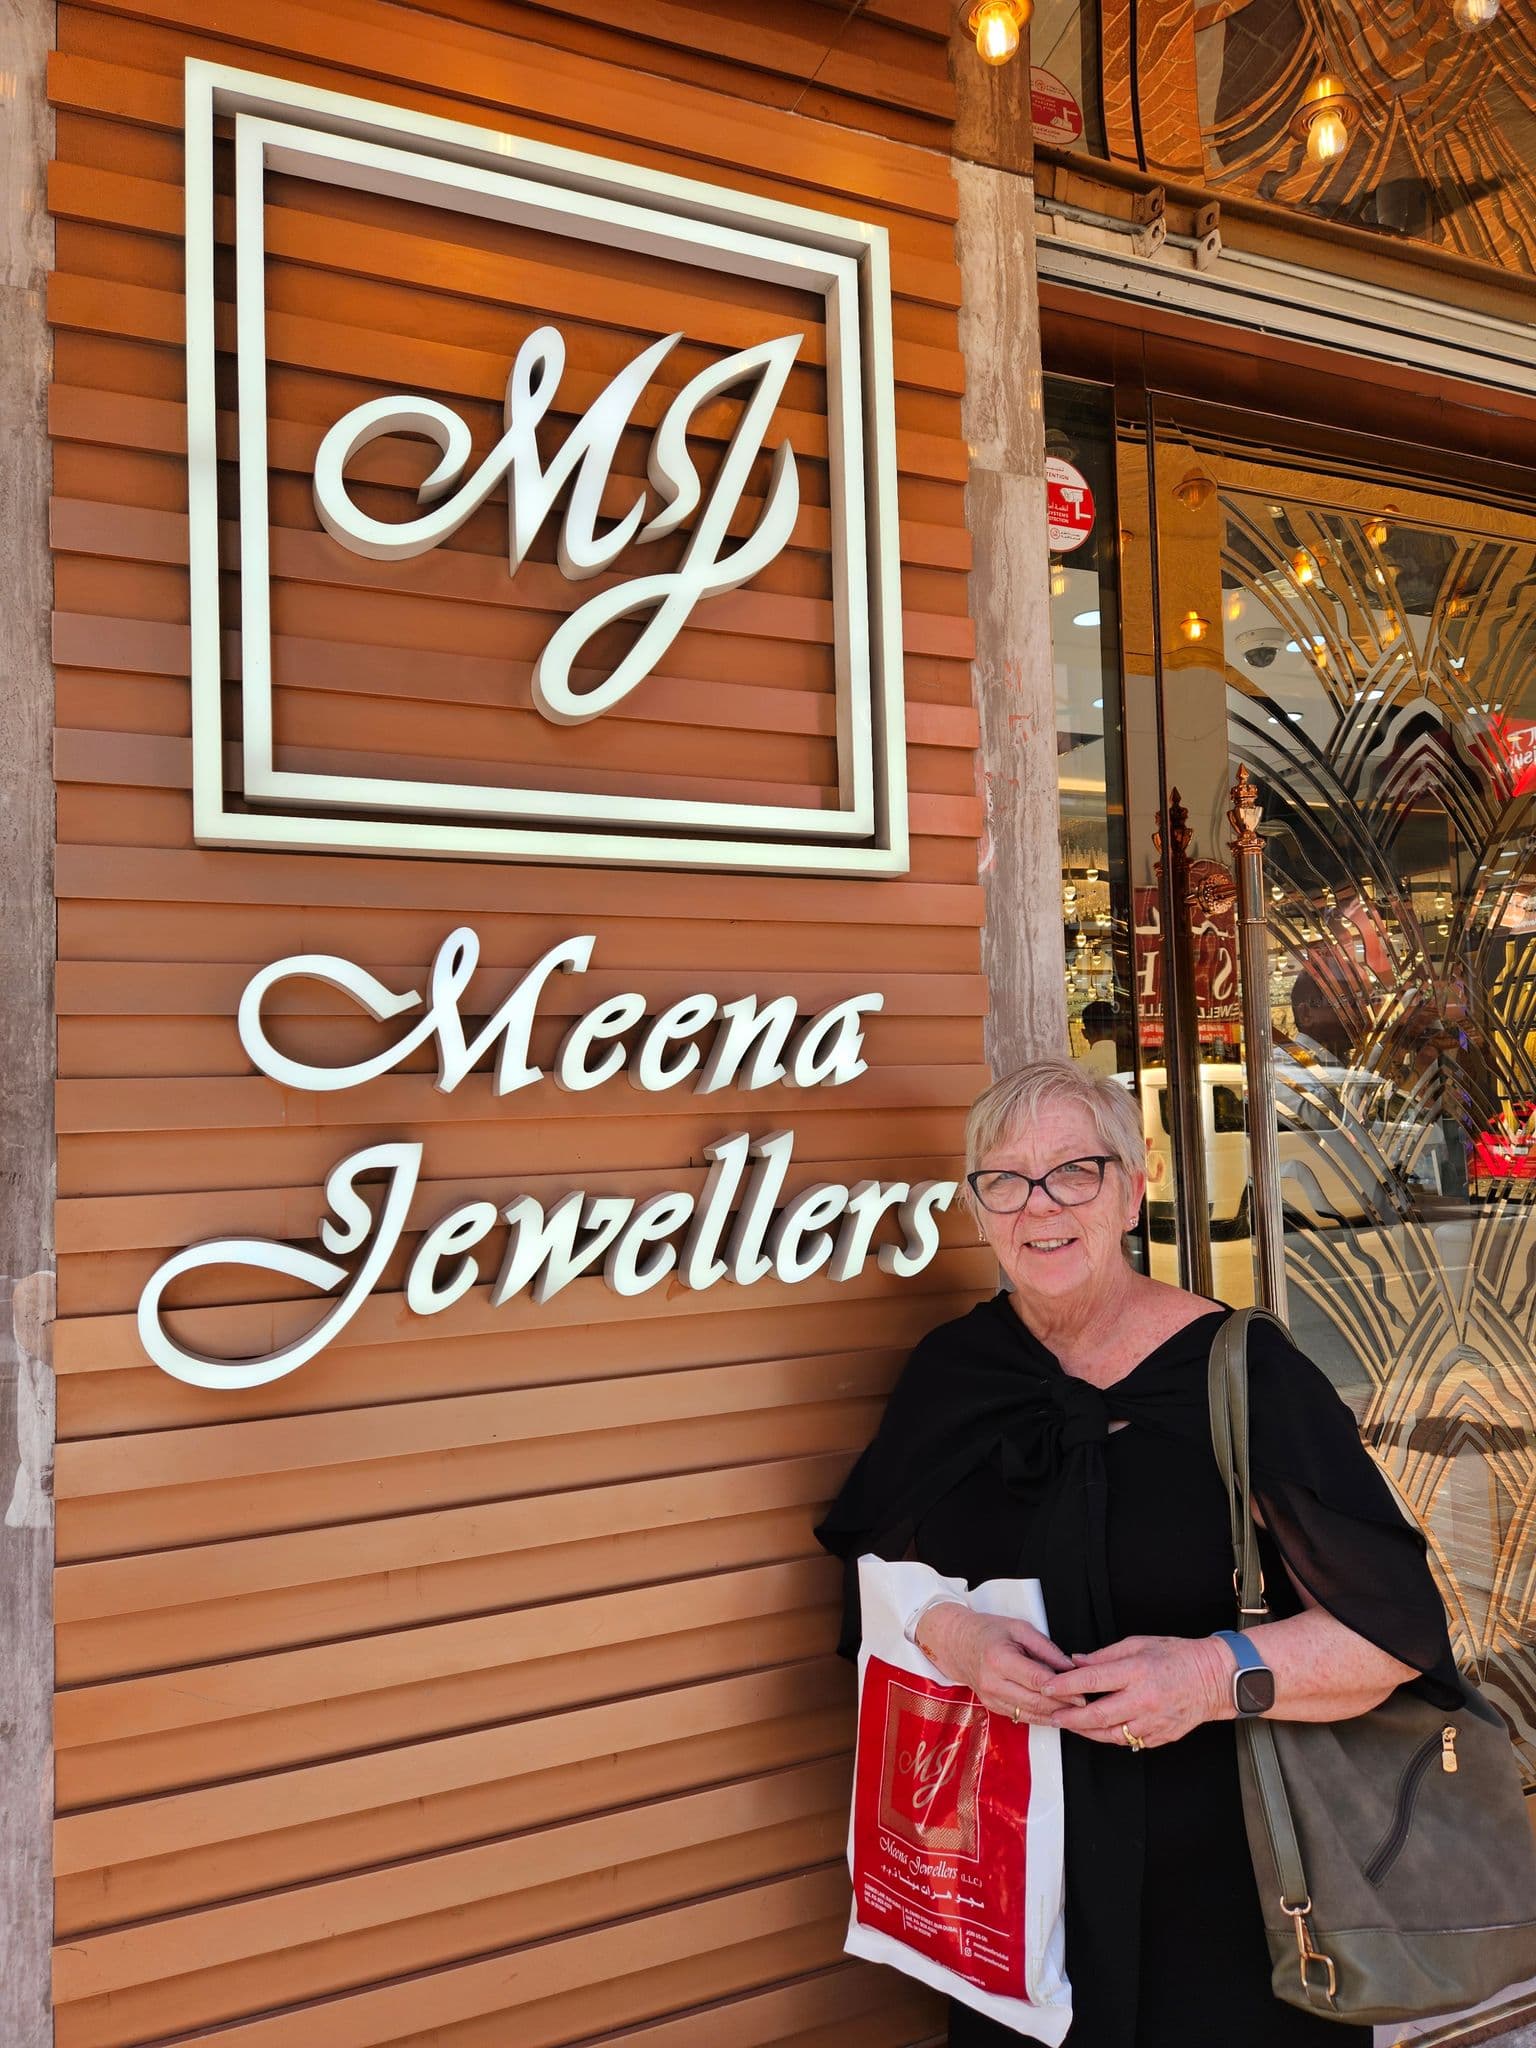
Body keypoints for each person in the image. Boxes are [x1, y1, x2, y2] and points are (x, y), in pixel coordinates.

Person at [816, 1058, 1459, 2048]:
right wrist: (960, 1634)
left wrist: (1210, 1672)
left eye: (1075, 1169)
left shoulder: (1245, 1375)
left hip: (1238, 1893)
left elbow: (1392, 1632)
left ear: (1134, 1182)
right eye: (1007, 1179)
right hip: (1006, 1891)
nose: (1041, 1206)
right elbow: (870, 1569)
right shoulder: (954, 1372)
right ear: (977, 1204)